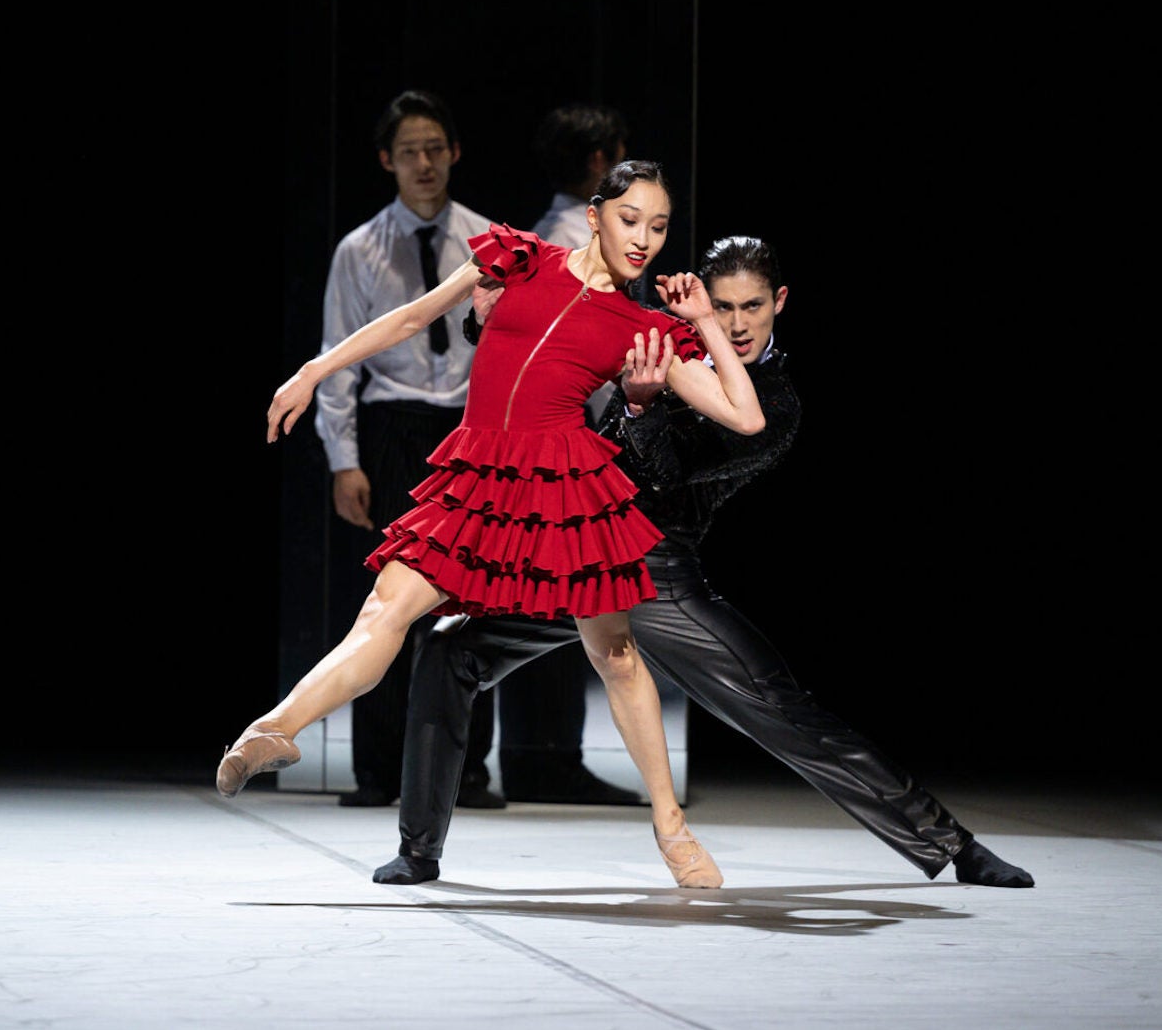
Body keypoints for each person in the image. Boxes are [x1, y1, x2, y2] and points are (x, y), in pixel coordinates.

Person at [372, 235, 1036, 889]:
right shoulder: (664, 338)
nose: (738, 323)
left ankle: (952, 844)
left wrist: (638, 407)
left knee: (781, 711)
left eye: (753, 307)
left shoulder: (774, 403)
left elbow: (667, 478)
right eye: (722, 307)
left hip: (657, 566)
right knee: (447, 647)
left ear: (778, 302)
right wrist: (480, 313)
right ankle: (418, 849)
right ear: (698, 301)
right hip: (579, 547)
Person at [220, 160, 767, 889]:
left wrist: (702, 320)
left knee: (617, 655)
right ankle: (273, 729)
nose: (643, 238)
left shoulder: (645, 329)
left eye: (659, 226)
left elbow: (746, 415)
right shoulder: (518, 257)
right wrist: (314, 369)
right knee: (385, 607)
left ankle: (672, 828)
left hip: (566, 485)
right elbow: (412, 316)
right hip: (476, 476)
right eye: (630, 218)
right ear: (596, 213)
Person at [312, 90, 499, 809]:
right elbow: (337, 360)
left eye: (435, 148)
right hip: (391, 427)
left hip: (468, 427)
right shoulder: (358, 249)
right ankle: (379, 769)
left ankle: (465, 771)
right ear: (388, 161)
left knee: (471, 601)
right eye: (409, 151)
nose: (424, 163)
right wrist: (343, 459)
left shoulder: (490, 241)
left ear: (455, 152)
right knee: (387, 598)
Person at [486, 103, 643, 807]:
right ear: (597, 166)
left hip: (549, 434)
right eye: (619, 158)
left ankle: (545, 757)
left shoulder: (555, 239)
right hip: (555, 440)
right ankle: (542, 759)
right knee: (554, 600)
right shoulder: (566, 246)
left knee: (552, 599)